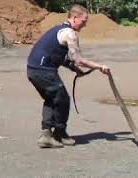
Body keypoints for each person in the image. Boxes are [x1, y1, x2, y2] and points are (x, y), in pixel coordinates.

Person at [27, 4, 110, 148]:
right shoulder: (70, 34)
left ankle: (47, 135)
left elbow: (59, 56)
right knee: (62, 98)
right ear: (74, 17)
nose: (85, 24)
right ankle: (59, 133)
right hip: (43, 71)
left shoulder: (58, 29)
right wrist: (100, 67)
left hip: (33, 70)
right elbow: (79, 59)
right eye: (84, 21)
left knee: (52, 98)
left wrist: (74, 69)